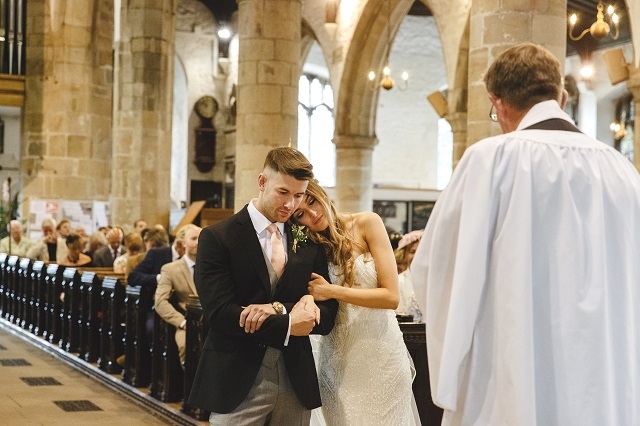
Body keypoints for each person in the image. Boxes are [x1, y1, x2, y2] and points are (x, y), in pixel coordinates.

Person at [411, 43, 640, 426]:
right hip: (608, 388)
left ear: (497, 103)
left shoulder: (490, 161)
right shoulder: (623, 171)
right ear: (562, 97)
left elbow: (437, 272)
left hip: (510, 386)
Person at [188, 147, 338, 425]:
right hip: (237, 379)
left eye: (298, 195)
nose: (291, 205)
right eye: (283, 192)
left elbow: (327, 314)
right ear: (262, 182)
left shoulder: (307, 240)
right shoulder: (218, 237)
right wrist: (290, 322)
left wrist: (279, 309)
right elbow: (220, 315)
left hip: (296, 381)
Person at [291, 179, 417, 425]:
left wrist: (333, 290)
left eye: (313, 201)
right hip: (337, 361)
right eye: (300, 214)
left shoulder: (367, 222)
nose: (313, 214)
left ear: (323, 195)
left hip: (381, 355)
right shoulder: (309, 246)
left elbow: (391, 297)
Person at [154, 224, 201, 365]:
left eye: (201, 238)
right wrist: (181, 322)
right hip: (186, 322)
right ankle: (190, 386)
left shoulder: (213, 266)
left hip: (211, 322)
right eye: (193, 238)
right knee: (186, 347)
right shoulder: (170, 269)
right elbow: (160, 302)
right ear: (184, 243)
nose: (198, 242)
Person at [394, 230, 424, 322]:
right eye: (412, 252)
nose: (416, 256)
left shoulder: (433, 281)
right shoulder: (398, 281)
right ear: (405, 255)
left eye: (420, 252)